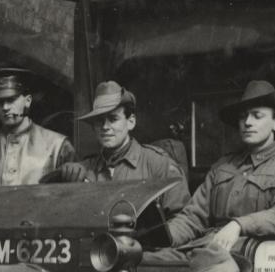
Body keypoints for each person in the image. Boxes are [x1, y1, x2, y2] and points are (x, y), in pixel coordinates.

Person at [152, 81, 275, 262]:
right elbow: (193, 216)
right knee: (142, 259)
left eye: (257, 116)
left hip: (248, 256)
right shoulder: (223, 166)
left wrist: (238, 225)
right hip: (206, 248)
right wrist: (162, 238)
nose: (248, 122)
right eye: (243, 117)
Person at [49, 80, 189, 213]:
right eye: (99, 121)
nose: (105, 127)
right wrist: (63, 174)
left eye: (113, 119)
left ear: (131, 122)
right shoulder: (85, 169)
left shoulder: (159, 165)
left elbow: (182, 219)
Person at [0, 68, 76, 200]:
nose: (5, 107)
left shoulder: (57, 145)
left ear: (27, 101)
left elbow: (73, 200)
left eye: (11, 100)